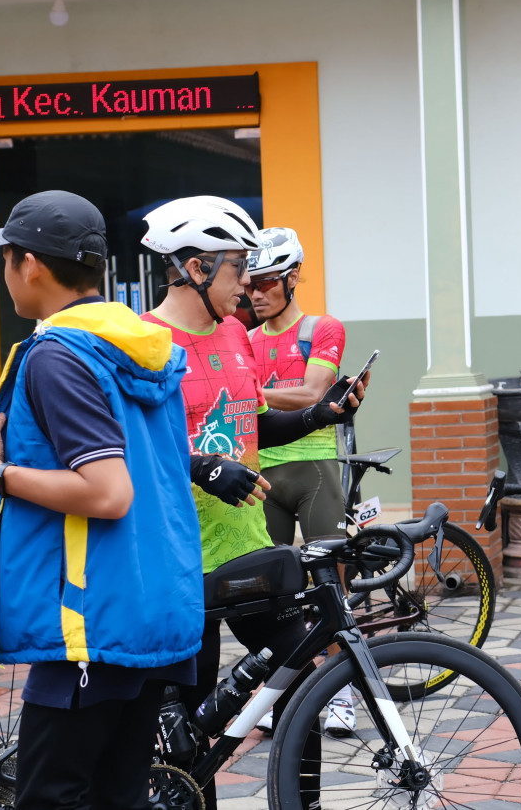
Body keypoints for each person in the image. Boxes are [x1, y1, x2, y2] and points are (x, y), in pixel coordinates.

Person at [0, 190, 206, 810]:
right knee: (117, 796)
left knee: (51, 796)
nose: (5, 273)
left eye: (6, 259)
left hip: (88, 621)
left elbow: (107, 491)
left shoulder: (59, 356)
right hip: (147, 608)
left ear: (29, 264)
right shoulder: (140, 345)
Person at [138, 196, 367, 805]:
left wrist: (322, 413)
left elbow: (253, 423)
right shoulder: (144, 343)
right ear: (195, 268)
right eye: (238, 268)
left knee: (300, 682)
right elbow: (130, 450)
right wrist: (201, 467)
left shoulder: (235, 334)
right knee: (188, 735)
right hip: (182, 562)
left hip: (248, 548)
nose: (247, 283)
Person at [244, 226, 357, 736]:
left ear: (292, 278)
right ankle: (278, 693)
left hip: (313, 469)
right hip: (262, 472)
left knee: (330, 583)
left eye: (267, 282)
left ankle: (343, 693)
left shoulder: (322, 327)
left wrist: (253, 391)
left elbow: (314, 393)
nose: (255, 293)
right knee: (268, 596)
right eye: (249, 284)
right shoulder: (243, 339)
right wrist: (268, 394)